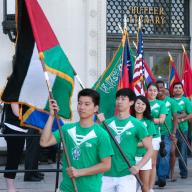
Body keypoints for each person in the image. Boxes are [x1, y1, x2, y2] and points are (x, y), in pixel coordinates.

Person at [40, 88, 114, 192]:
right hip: (65, 188)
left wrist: (80, 172)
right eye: (80, 103)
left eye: (87, 104)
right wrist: (51, 116)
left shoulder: (101, 134)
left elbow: (106, 165)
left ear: (95, 108)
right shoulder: (67, 129)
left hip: (90, 189)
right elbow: (44, 142)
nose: (82, 107)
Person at [97, 88, 152, 192]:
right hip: (106, 174)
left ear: (131, 102)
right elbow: (95, 141)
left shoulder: (138, 124)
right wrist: (98, 124)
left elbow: (150, 149)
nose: (119, 101)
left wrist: (138, 166)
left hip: (127, 175)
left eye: (123, 99)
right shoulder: (106, 123)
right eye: (117, 99)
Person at [132, 95, 156, 192]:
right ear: (133, 104)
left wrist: (130, 144)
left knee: (144, 187)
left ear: (146, 107)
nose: (140, 106)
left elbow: (148, 142)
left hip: (144, 157)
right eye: (138, 103)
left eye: (143, 104)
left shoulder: (149, 122)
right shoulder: (128, 120)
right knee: (131, 187)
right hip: (129, 158)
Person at [156, 80, 178, 186]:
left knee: (164, 154)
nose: (160, 90)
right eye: (157, 88)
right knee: (157, 156)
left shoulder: (172, 102)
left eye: (161, 88)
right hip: (155, 133)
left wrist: (174, 132)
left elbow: (175, 117)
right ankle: (158, 175)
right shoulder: (151, 101)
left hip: (167, 132)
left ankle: (162, 177)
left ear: (164, 89)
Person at [146, 83, 167, 191]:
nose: (152, 92)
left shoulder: (161, 104)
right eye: (150, 90)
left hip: (155, 136)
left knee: (152, 163)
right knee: (142, 162)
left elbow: (162, 120)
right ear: (147, 91)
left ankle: (150, 188)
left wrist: (150, 119)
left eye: (154, 90)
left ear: (157, 92)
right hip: (142, 137)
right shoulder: (141, 102)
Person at [3, 103, 28, 192]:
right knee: (13, 159)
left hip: (18, 130)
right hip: (14, 130)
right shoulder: (14, 91)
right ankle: (10, 188)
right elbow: (17, 112)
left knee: (15, 159)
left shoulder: (17, 92)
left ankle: (11, 187)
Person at [172, 82, 192, 179]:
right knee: (170, 151)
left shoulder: (186, 100)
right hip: (170, 130)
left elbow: (190, 114)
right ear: (173, 90)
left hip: (183, 129)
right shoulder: (169, 101)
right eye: (176, 87)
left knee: (182, 152)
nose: (178, 89)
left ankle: (183, 173)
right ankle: (167, 174)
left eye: (180, 88)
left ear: (183, 90)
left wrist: (182, 120)